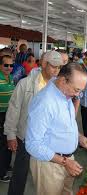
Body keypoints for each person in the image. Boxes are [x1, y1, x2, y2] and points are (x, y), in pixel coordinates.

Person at [25, 63, 87, 195]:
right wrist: (65, 162)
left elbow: (61, 124)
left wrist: (77, 136)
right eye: (77, 90)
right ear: (62, 80)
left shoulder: (65, 94)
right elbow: (33, 144)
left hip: (66, 161)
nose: (78, 94)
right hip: (49, 165)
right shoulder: (45, 102)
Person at [4, 51, 64, 195]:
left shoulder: (58, 87)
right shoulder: (25, 84)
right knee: (20, 173)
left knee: (45, 176)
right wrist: (11, 134)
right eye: (53, 66)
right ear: (43, 64)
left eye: (59, 67)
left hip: (47, 139)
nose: (56, 70)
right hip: (26, 137)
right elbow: (14, 108)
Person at [0, 55, 15, 182]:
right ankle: (1, 173)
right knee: (3, 144)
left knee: (8, 142)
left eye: (11, 65)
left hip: (8, 115)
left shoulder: (10, 78)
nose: (9, 68)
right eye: (6, 65)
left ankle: (6, 165)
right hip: (0, 115)